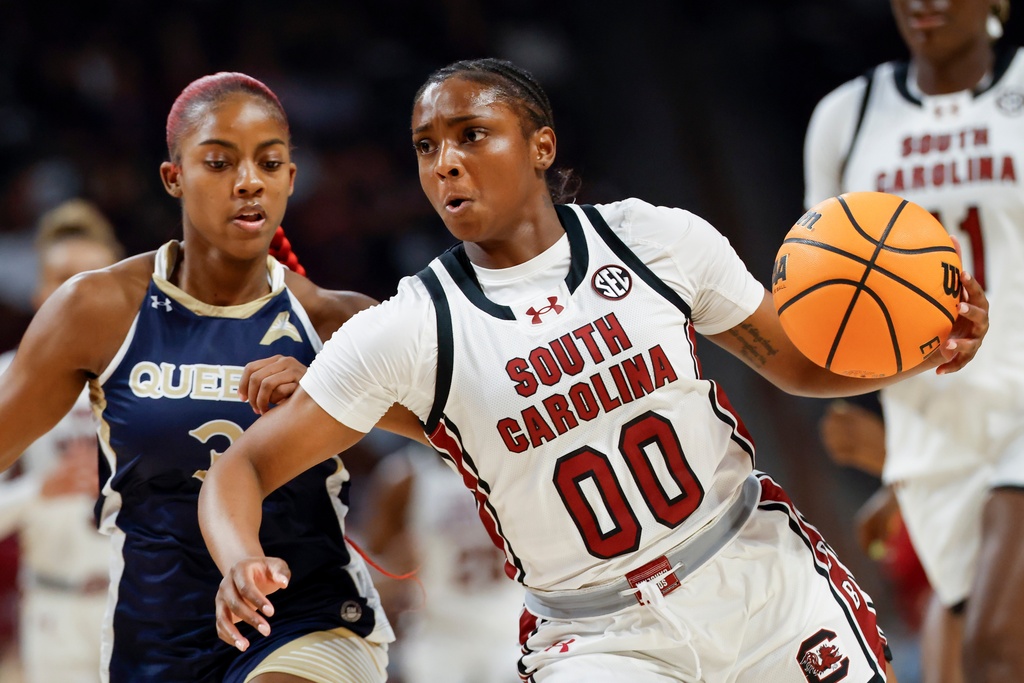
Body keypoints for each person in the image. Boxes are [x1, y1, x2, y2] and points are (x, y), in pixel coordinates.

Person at [199, 57, 988, 683]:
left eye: (472, 134)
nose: (445, 163)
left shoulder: (654, 238)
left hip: (757, 576)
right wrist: (239, 559)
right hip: (601, 638)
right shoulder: (408, 327)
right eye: (427, 146)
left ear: (541, 145)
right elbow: (240, 468)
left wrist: (921, 351)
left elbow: (796, 362)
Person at [0, 71, 425, 683]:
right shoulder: (94, 311)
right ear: (174, 177)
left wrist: (332, 389)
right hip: (153, 635)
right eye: (220, 163)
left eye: (269, 163)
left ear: (290, 180)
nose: (249, 181)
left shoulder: (338, 321)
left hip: (305, 615)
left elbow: (461, 433)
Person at [804, 0, 1023, 680]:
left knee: (994, 645)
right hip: (930, 429)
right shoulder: (848, 115)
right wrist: (895, 465)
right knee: (960, 654)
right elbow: (822, 284)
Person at [0, 198, 123, 683]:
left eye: (92, 278)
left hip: (144, 604)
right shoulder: (7, 379)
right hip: (54, 607)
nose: (77, 294)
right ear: (39, 290)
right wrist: (39, 491)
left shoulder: (153, 381)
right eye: (64, 278)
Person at [362, 442, 524, 683]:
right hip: (441, 634)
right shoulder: (405, 478)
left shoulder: (403, 476)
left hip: (508, 630)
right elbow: (379, 562)